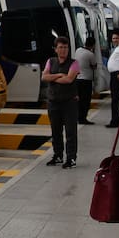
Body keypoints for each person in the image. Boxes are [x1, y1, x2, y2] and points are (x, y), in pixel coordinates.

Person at [42, 36, 80, 168]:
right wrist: (59, 75)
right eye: (61, 47)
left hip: (69, 102)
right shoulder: (50, 61)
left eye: (66, 47)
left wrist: (52, 77)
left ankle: (71, 158)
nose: (64, 50)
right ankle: (58, 155)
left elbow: (69, 79)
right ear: (55, 49)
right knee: (55, 131)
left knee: (70, 131)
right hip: (53, 102)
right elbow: (44, 77)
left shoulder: (74, 63)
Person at [73, 36, 99, 125]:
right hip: (86, 80)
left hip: (77, 79)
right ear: (93, 45)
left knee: (79, 100)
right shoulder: (90, 54)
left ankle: (78, 117)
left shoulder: (78, 50)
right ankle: (83, 118)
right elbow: (94, 66)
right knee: (86, 100)